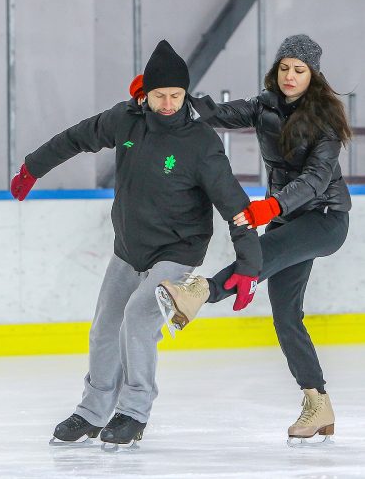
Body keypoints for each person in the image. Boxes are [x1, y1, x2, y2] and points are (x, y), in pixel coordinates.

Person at [11, 40, 262, 448]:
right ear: (144, 93)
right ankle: (92, 412)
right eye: (160, 95)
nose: (167, 104)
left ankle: (133, 412)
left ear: (185, 95)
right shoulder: (125, 120)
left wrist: (249, 263)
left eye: (176, 96)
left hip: (177, 250)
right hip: (129, 247)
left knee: (139, 321)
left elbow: (234, 204)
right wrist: (32, 166)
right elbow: (77, 137)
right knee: (105, 328)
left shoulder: (200, 142)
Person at [130, 34, 352, 445]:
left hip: (324, 217)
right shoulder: (265, 104)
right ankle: (317, 402)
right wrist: (174, 97)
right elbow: (220, 113)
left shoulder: (326, 119)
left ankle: (200, 292)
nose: (289, 76)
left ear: (313, 76)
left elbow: (317, 178)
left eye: (299, 70)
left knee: (262, 256)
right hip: (286, 219)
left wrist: (272, 207)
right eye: (284, 67)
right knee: (286, 315)